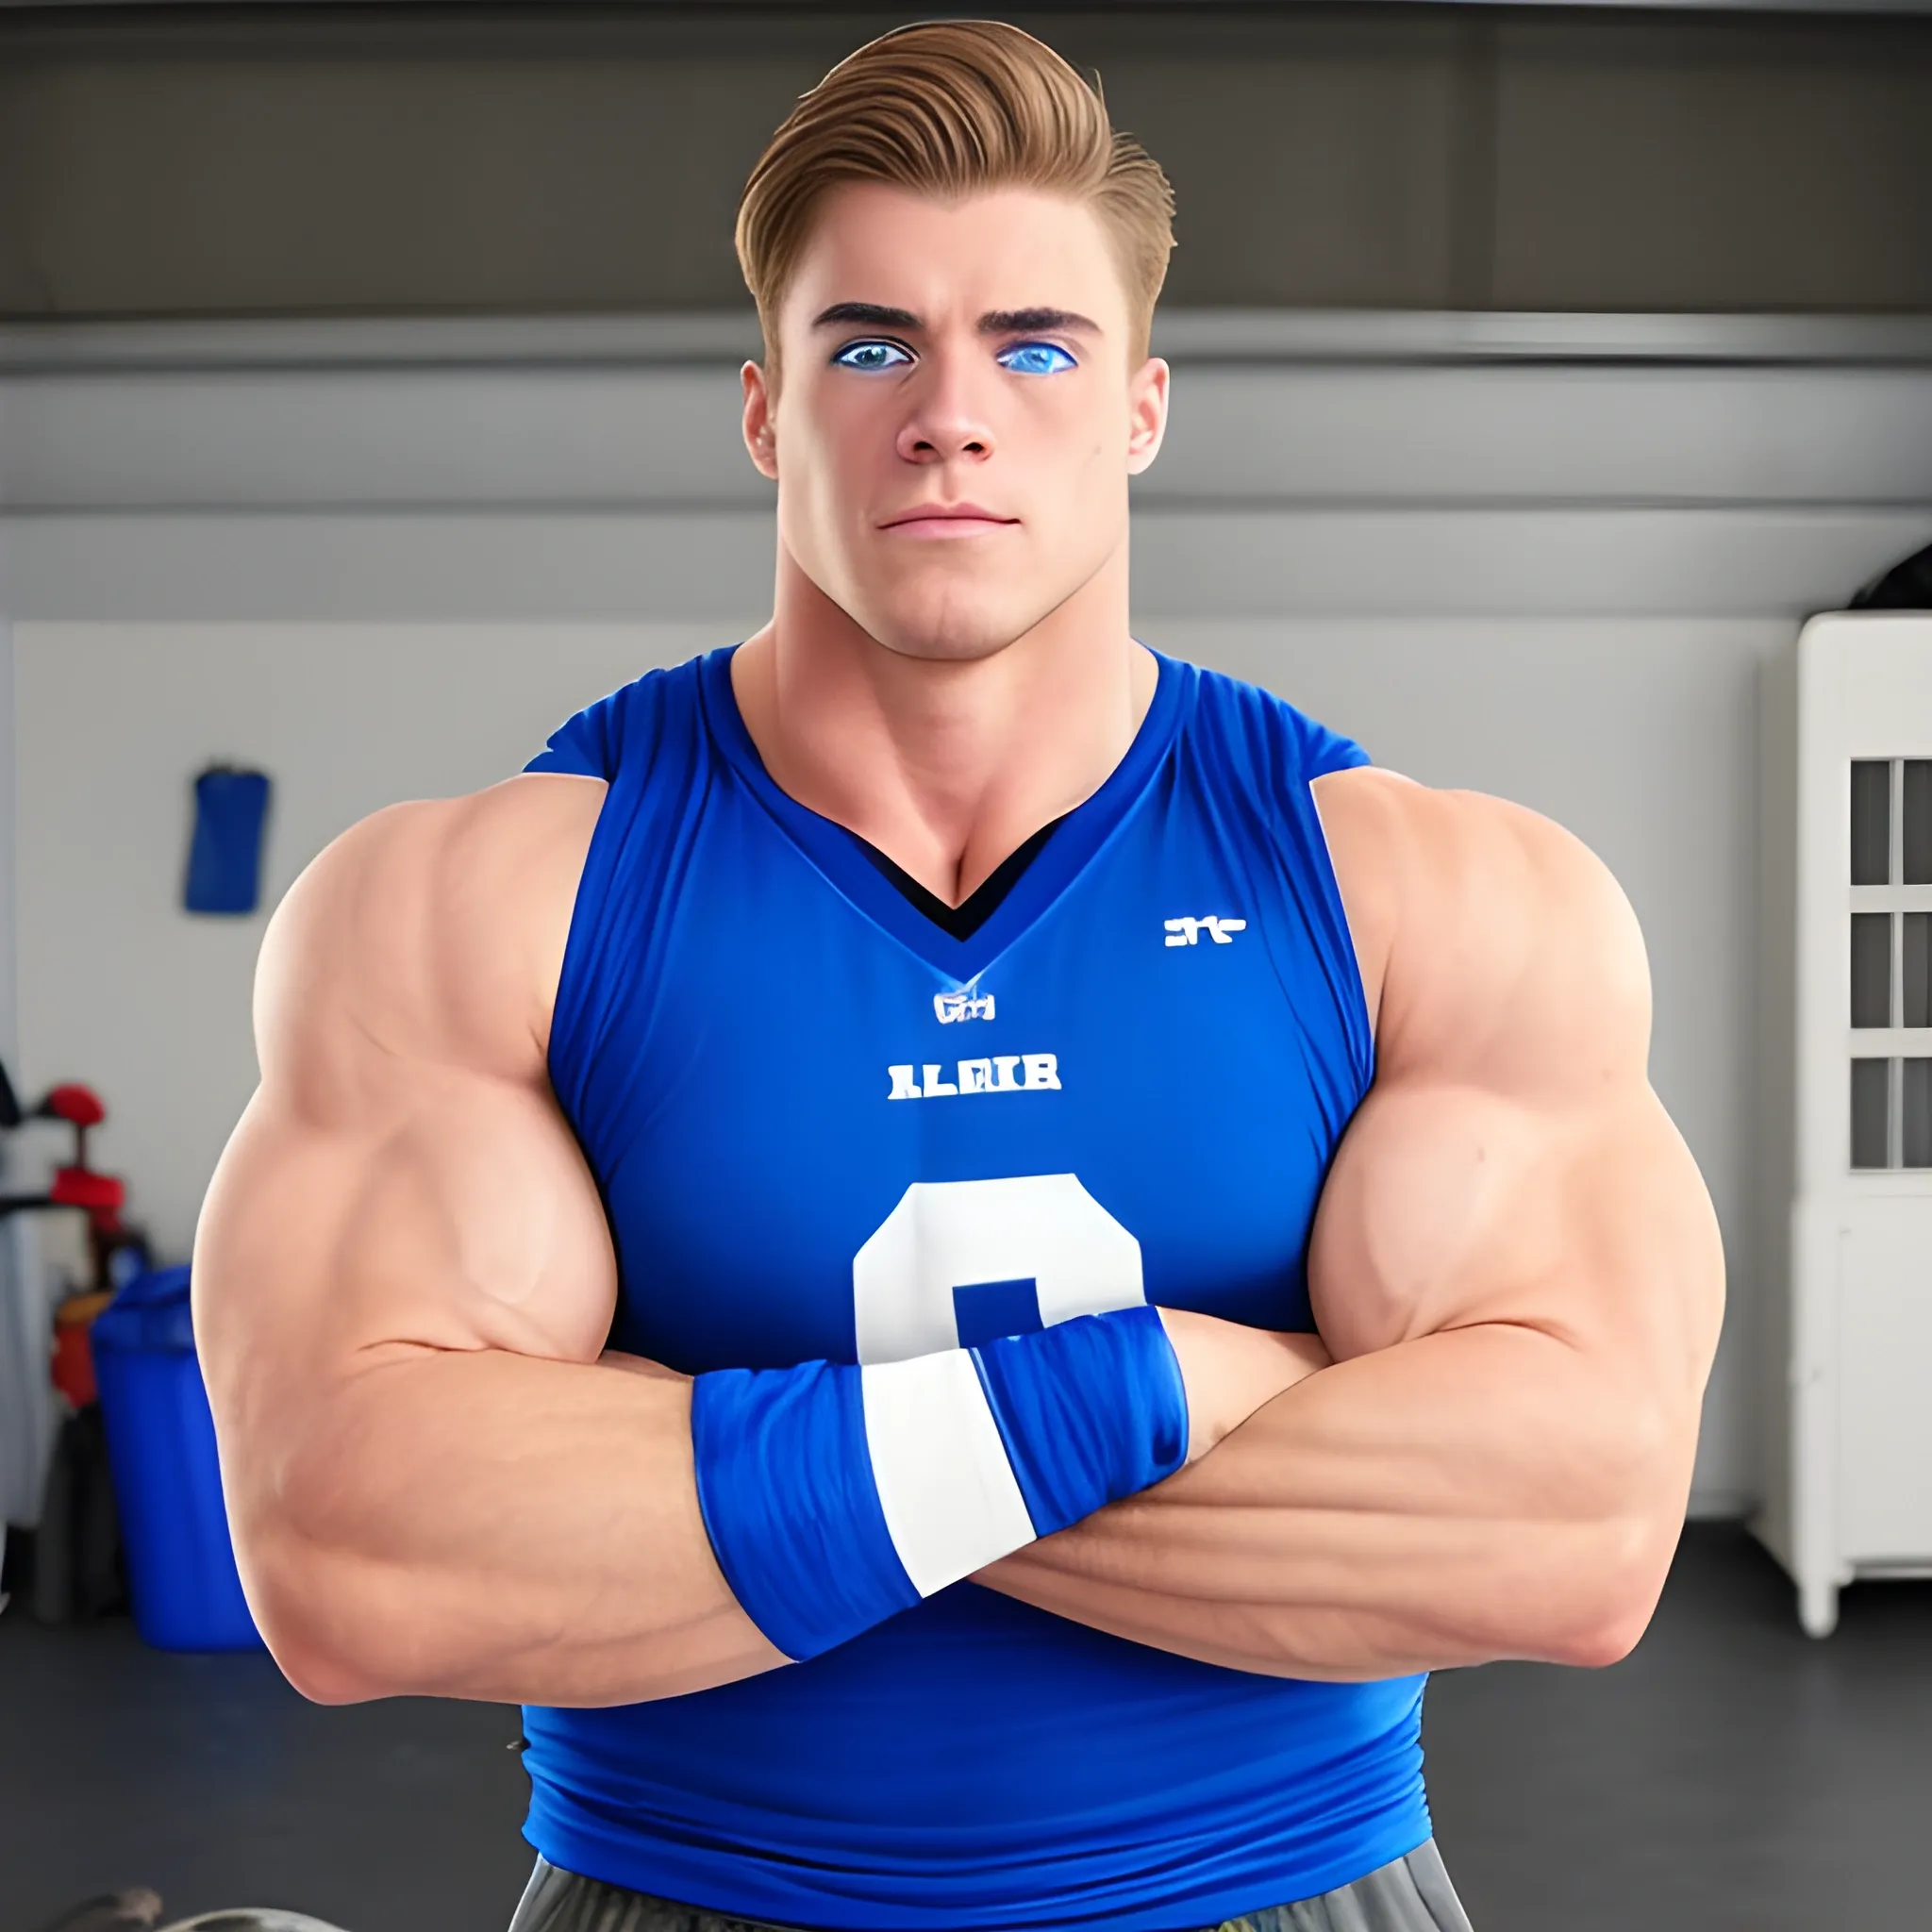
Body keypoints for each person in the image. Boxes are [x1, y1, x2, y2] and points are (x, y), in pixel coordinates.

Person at [193, 21, 1725, 1932]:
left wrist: (713, 1460)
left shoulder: (1423, 893)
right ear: (765, 411)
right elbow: (359, 1556)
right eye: (868, 345)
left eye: (1032, 343)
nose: (949, 413)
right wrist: (1150, 1384)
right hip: (688, 1898)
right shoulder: (479, 903)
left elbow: (1564, 1530)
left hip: (1279, 1895)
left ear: (1144, 405)